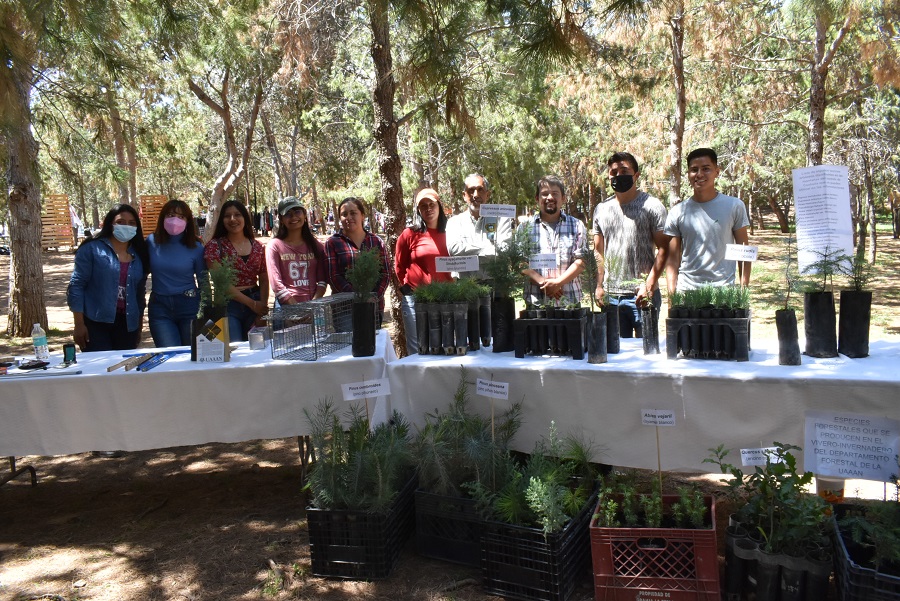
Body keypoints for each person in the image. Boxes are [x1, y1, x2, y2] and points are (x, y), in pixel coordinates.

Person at [592, 152, 669, 337]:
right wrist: (599, 286)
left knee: (648, 351)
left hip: (642, 294)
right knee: (616, 355)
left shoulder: (652, 206)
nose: (618, 175)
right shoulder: (601, 210)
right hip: (611, 297)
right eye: (613, 172)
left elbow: (664, 249)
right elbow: (598, 252)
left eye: (624, 170)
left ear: (636, 175)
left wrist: (649, 285)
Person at [664, 148, 751, 293]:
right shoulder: (677, 212)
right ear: (688, 174)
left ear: (717, 171)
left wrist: (743, 294)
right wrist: (672, 298)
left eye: (706, 169)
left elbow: (744, 253)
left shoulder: (734, 206)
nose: (699, 174)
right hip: (687, 293)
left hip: (724, 291)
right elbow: (673, 260)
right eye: (694, 169)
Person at [67, 203, 148, 352]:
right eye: (120, 222)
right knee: (100, 370)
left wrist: (138, 324)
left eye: (131, 223)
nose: (126, 226)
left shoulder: (140, 253)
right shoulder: (92, 249)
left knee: (123, 371)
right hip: (96, 321)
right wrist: (79, 324)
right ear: (110, 224)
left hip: (128, 324)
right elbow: (76, 286)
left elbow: (139, 292)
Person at [394, 187, 452, 354]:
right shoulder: (409, 234)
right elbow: (399, 266)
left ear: (439, 206)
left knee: (443, 348)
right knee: (418, 350)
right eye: (423, 205)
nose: (428, 209)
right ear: (418, 210)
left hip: (445, 299)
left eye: (432, 204)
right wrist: (409, 289)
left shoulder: (452, 233)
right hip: (415, 300)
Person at [204, 200, 269, 341]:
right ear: (222, 220)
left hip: (256, 302)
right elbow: (221, 283)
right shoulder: (214, 247)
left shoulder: (258, 246)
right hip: (229, 306)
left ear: (245, 218)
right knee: (235, 351)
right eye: (227, 216)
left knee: (257, 350)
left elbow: (264, 278)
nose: (232, 219)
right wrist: (253, 305)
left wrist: (262, 309)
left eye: (237, 214)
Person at [146, 199, 207, 347]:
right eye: (171, 215)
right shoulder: (151, 242)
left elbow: (203, 281)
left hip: (189, 305)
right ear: (163, 218)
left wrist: (206, 309)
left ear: (187, 221)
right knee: (169, 356)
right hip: (160, 307)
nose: (175, 220)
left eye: (181, 217)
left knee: (189, 355)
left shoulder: (196, 246)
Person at [519, 175, 587, 306]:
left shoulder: (577, 225)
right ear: (537, 199)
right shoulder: (524, 228)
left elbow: (581, 261)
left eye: (555, 193)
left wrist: (558, 283)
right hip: (536, 301)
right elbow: (519, 262)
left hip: (569, 301)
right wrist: (543, 282)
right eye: (544, 194)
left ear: (563, 198)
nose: (549, 197)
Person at [325, 197, 391, 326]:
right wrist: (357, 297)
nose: (348, 217)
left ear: (362, 216)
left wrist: (373, 297)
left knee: (373, 345)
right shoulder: (333, 243)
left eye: (353, 213)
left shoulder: (376, 241)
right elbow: (333, 276)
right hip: (344, 310)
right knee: (348, 345)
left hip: (373, 307)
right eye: (344, 214)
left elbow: (385, 273)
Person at [445, 173, 513, 280]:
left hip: (496, 288)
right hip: (465, 288)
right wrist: (490, 249)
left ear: (488, 194)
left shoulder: (501, 220)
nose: (475, 195)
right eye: (471, 190)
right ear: (464, 195)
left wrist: (468, 255)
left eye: (480, 190)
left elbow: (503, 251)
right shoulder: (454, 223)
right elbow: (454, 250)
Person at [266, 197, 327, 306]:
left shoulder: (317, 246)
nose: (293, 217)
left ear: (304, 215)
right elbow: (276, 284)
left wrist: (313, 305)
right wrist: (296, 308)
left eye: (297, 212)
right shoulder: (274, 246)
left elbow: (322, 281)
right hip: (285, 306)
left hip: (314, 304)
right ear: (281, 219)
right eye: (288, 214)